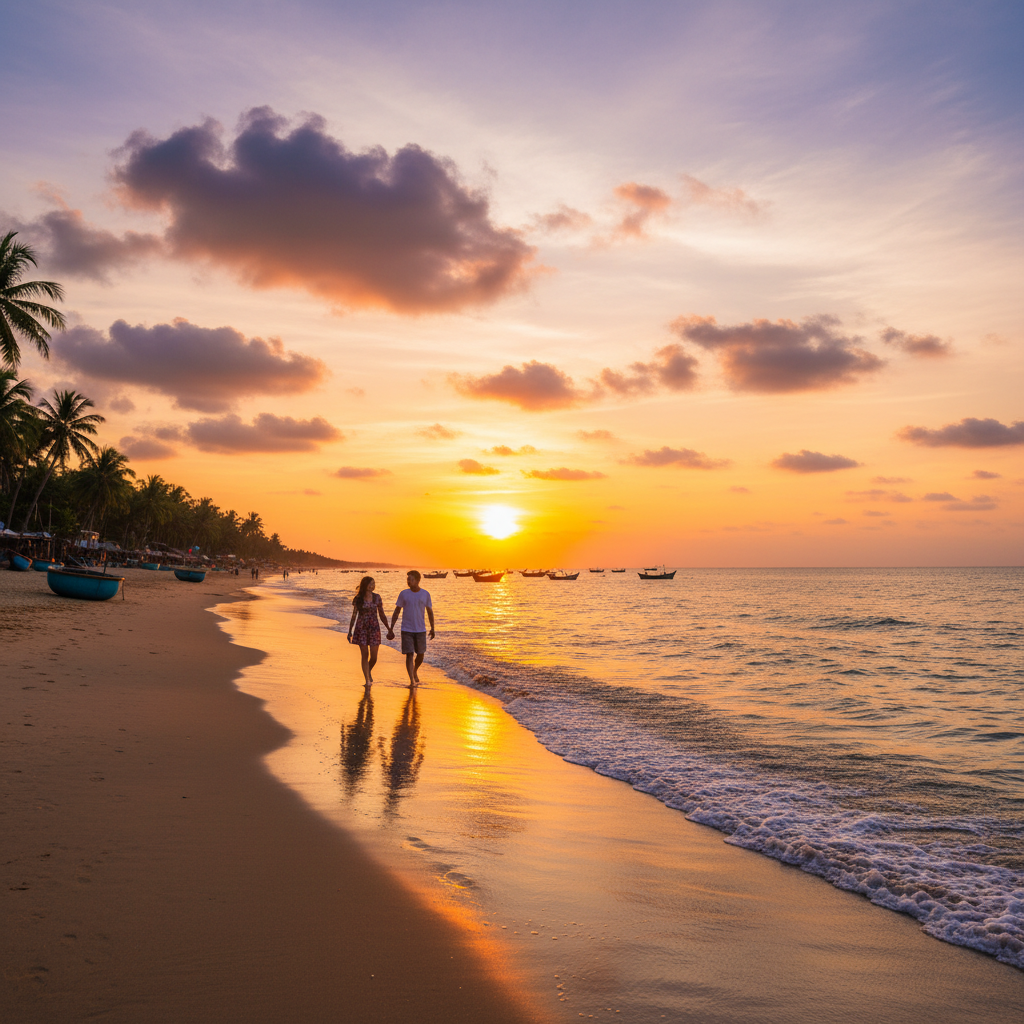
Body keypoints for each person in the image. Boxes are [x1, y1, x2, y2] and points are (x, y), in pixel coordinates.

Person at [389, 570, 434, 687]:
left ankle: (415, 670)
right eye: (408, 579)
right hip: (406, 629)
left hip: (420, 630)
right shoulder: (404, 594)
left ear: (418, 580)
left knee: (420, 655)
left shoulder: (425, 594)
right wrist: (391, 628)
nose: (409, 581)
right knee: (409, 654)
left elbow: (430, 612)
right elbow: (397, 611)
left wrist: (433, 628)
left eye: (411, 579)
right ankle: (411, 681)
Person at [347, 576, 391, 686]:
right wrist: (350, 631)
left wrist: (389, 628)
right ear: (365, 585)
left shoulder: (377, 598)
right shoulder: (358, 599)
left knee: (374, 657)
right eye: (371, 583)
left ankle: (368, 671)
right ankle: (367, 680)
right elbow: (354, 615)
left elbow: (381, 614)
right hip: (361, 628)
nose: (373, 585)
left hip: (374, 628)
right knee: (364, 655)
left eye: (374, 583)